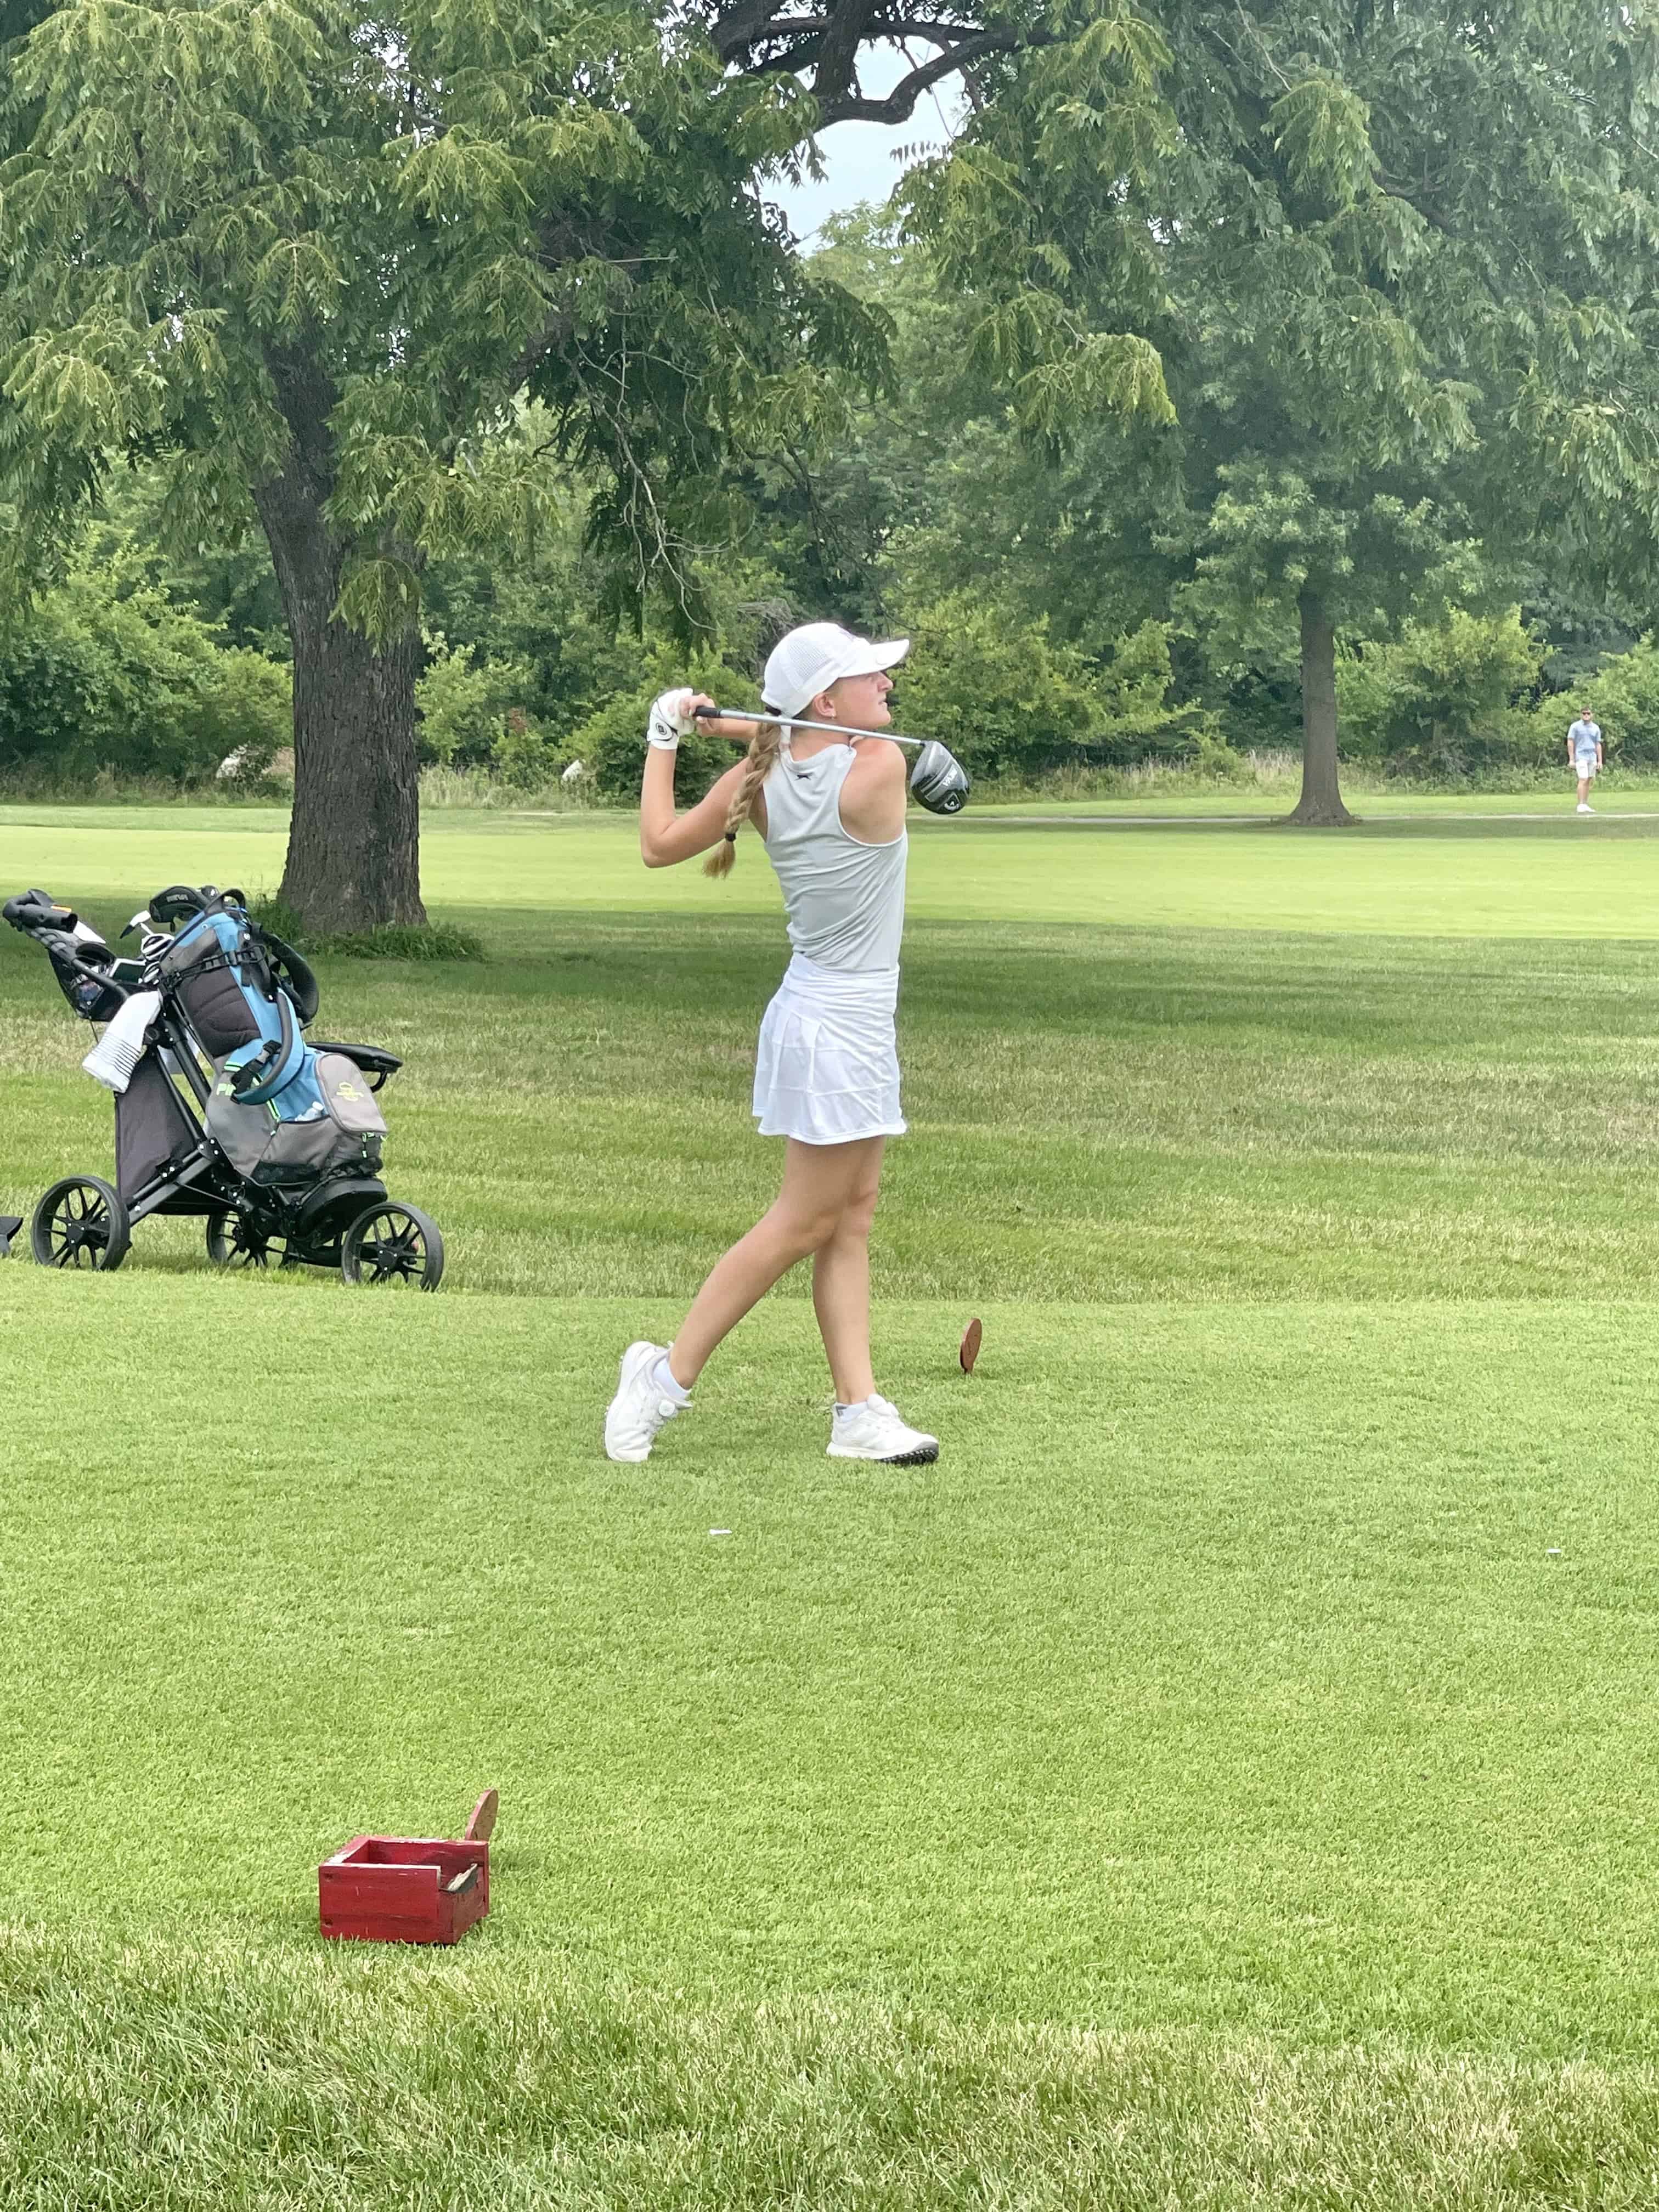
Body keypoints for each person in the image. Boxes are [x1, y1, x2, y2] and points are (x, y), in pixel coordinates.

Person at [603, 621, 940, 1469]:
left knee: (850, 1217)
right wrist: (726, 724)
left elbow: (657, 844)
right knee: (804, 1221)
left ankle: (857, 1410)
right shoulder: (878, 768)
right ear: (826, 701)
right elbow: (825, 742)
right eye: (869, 676)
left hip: (829, 1017)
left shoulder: (763, 778)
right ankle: (661, 1379)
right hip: (837, 1027)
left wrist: (670, 733)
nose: (887, 685)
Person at [1567, 704, 1604, 812]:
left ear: (1592, 715)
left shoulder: (1596, 728)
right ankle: (1580, 804)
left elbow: (1598, 744)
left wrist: (1600, 761)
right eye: (1584, 713)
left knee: (1589, 779)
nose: (1586, 715)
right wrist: (1572, 759)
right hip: (1581, 756)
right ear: (1581, 715)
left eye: (1588, 713)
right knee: (1583, 778)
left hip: (1592, 757)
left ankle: (1585, 803)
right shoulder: (1575, 726)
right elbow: (1570, 741)